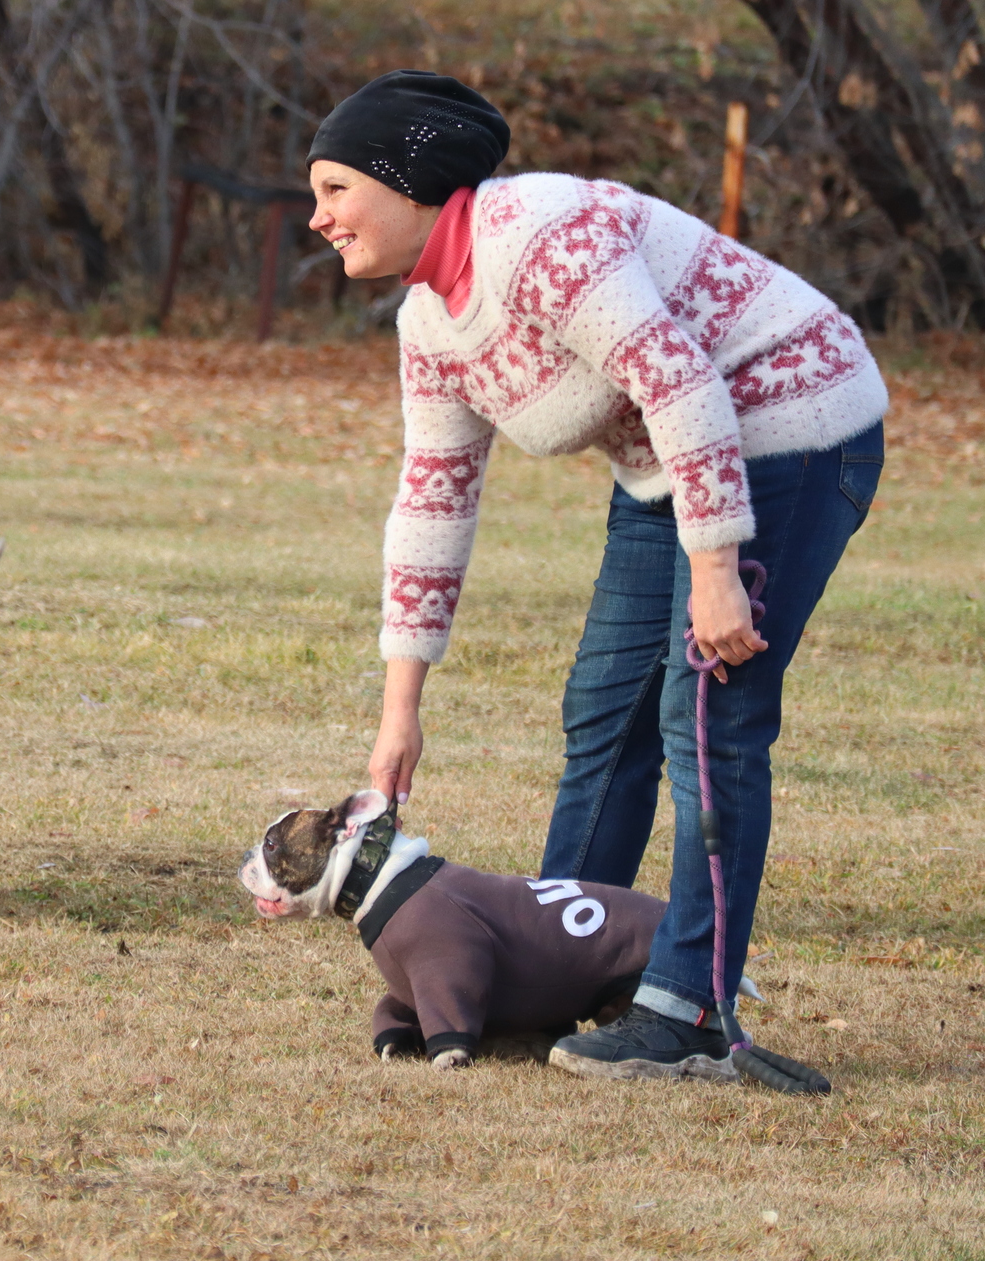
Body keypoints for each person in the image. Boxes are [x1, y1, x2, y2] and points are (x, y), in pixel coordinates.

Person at [308, 70, 888, 1080]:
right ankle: (556, 968)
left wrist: (716, 575)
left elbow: (677, 375)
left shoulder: (537, 232)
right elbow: (431, 503)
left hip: (790, 422)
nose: (316, 218)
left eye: (333, 190)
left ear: (408, 187)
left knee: (705, 714)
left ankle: (686, 1010)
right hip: (669, 459)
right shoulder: (429, 323)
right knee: (604, 709)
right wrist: (399, 709)